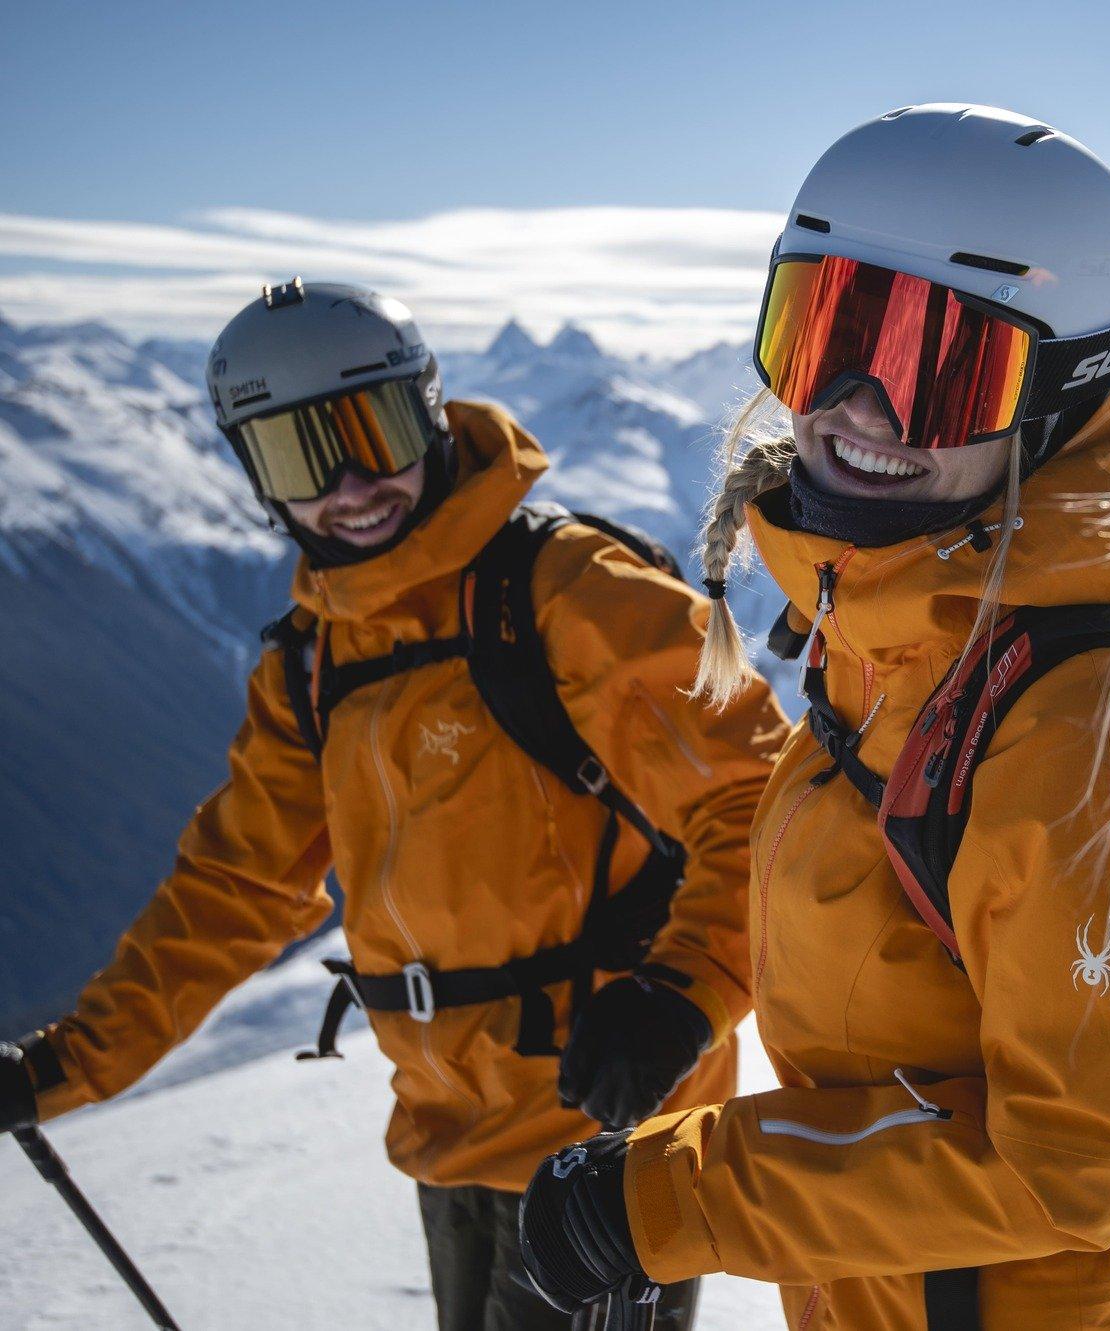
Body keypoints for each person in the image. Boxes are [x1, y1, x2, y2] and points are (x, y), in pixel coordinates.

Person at [511, 104, 1110, 1330]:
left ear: (1064, 395)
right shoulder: (910, 626)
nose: (857, 409)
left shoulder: (1078, 741)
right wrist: (693, 985)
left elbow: (1076, 1163)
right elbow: (868, 906)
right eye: (825, 337)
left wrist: (666, 1200)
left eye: (937, 367)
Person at [0, 281, 788, 1331]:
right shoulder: (316, 660)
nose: (351, 483)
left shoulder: (565, 591)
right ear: (253, 478)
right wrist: (65, 1064)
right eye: (299, 457)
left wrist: (682, 993)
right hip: (447, 1134)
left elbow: (767, 797)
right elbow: (232, 887)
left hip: (605, 1138)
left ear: (427, 408)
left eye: (372, 431)